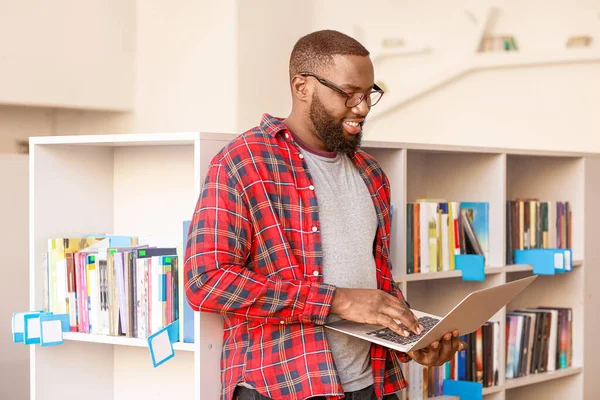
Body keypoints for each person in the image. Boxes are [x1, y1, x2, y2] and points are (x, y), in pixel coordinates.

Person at [184, 29, 466, 400]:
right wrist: (336, 300)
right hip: (280, 387)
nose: (362, 108)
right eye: (349, 94)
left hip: (372, 385)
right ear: (302, 86)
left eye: (369, 94)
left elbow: (377, 280)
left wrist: (410, 337)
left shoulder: (371, 173)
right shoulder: (243, 162)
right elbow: (206, 282)